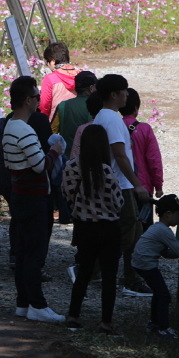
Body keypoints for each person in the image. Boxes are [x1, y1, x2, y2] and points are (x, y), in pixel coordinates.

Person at [3, 76, 66, 322]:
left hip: (20, 195)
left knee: (23, 252)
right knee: (35, 254)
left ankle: (23, 303)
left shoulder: (9, 125)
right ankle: (37, 305)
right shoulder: (24, 129)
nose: (40, 101)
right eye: (37, 97)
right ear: (28, 100)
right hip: (33, 198)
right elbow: (40, 166)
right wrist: (55, 151)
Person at [62, 124, 124, 335]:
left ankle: (73, 316)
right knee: (109, 277)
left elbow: (68, 196)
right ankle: (105, 323)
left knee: (84, 273)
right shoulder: (105, 171)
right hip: (108, 229)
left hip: (84, 228)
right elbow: (118, 203)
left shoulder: (71, 167)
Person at [93, 74, 151, 297]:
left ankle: (97, 270)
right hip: (121, 185)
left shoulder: (101, 116)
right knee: (130, 234)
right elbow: (120, 155)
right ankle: (128, 279)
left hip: (110, 183)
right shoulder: (113, 120)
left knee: (119, 231)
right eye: (124, 90)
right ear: (114, 94)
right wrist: (137, 184)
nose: (128, 94)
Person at [131, 194, 179, 339]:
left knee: (158, 292)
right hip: (145, 264)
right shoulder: (164, 231)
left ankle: (154, 323)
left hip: (139, 262)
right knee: (164, 295)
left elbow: (166, 253)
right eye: (178, 214)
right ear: (168, 214)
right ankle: (163, 329)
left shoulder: (157, 227)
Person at [120, 88, 163, 227]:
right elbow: (153, 160)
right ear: (136, 108)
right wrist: (158, 186)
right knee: (144, 227)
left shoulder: (115, 126)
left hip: (120, 186)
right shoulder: (145, 129)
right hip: (142, 187)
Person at [53, 70, 97, 152]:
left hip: (67, 159)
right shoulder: (95, 106)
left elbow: (53, 131)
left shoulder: (62, 105)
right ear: (91, 88)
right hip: (89, 156)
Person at [39, 41, 81, 120]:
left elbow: (44, 106)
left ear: (52, 61)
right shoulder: (80, 74)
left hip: (57, 125)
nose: (48, 65)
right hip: (80, 122)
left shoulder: (49, 79)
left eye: (47, 62)